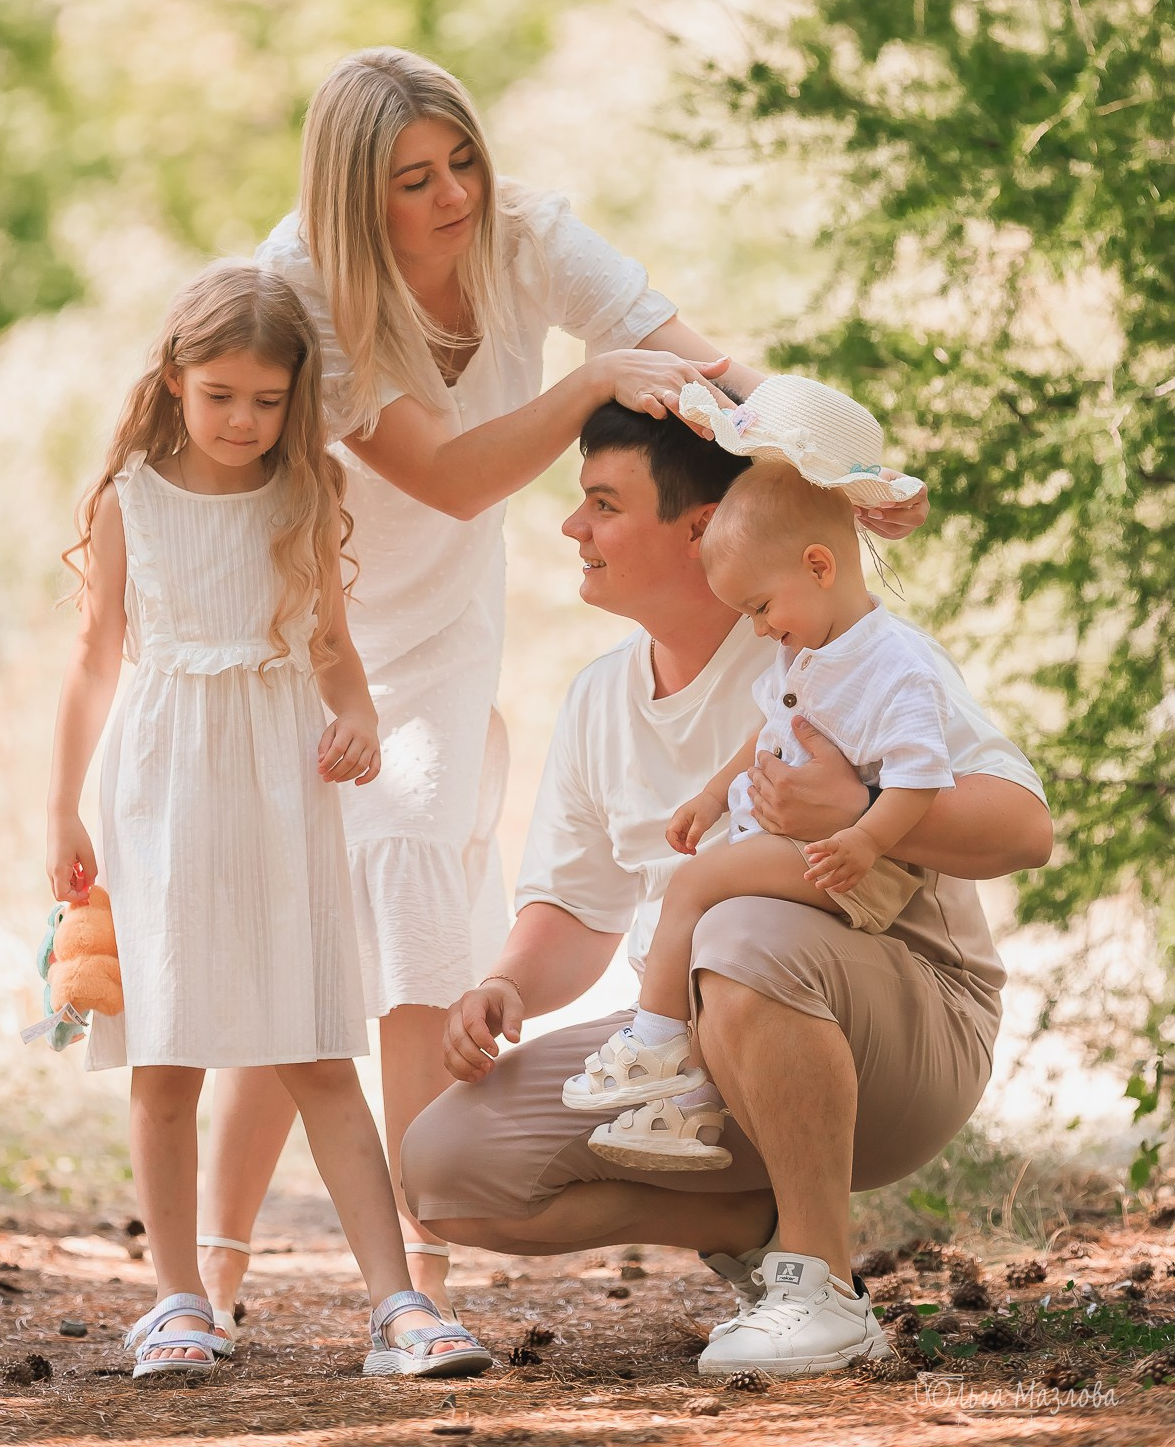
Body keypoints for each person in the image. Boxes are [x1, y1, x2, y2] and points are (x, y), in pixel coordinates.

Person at [196, 46, 863, 1324]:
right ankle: (209, 1278)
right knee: (298, 930)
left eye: (463, 160)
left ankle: (418, 1278)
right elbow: (449, 476)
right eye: (413, 180)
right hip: (303, 618)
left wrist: (844, 462)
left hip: (442, 628)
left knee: (408, 878)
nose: (453, 195)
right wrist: (590, 379)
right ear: (351, 197)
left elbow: (708, 365)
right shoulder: (304, 287)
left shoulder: (524, 234)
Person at [404, 400, 1054, 1379]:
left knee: (737, 927)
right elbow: (575, 908)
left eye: (602, 503)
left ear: (700, 526)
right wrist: (505, 985)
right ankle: (768, 1229)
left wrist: (855, 804)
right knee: (444, 1165)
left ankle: (820, 1286)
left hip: (902, 1031)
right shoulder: (601, 695)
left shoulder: (833, 645)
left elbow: (1024, 829)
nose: (573, 526)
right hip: (702, 1041)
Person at [44, 261, 491, 1381]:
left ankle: (396, 1306)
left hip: (281, 787)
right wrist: (60, 807)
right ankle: (179, 1303)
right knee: (166, 1057)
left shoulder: (302, 497)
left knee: (315, 1045)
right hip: (163, 792)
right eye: (219, 395)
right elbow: (94, 662)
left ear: (295, 399)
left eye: (266, 399)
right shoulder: (132, 502)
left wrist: (359, 717)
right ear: (175, 380)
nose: (243, 419)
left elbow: (332, 645)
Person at [567, 378, 958, 1172]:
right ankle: (690, 1104)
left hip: (852, 867)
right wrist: (713, 794)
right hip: (813, 849)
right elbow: (767, 733)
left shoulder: (894, 663)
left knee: (695, 887)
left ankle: (652, 1044)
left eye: (758, 607)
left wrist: (862, 836)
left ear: (817, 565)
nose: (756, 629)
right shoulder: (812, 650)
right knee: (718, 921)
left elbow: (920, 776)